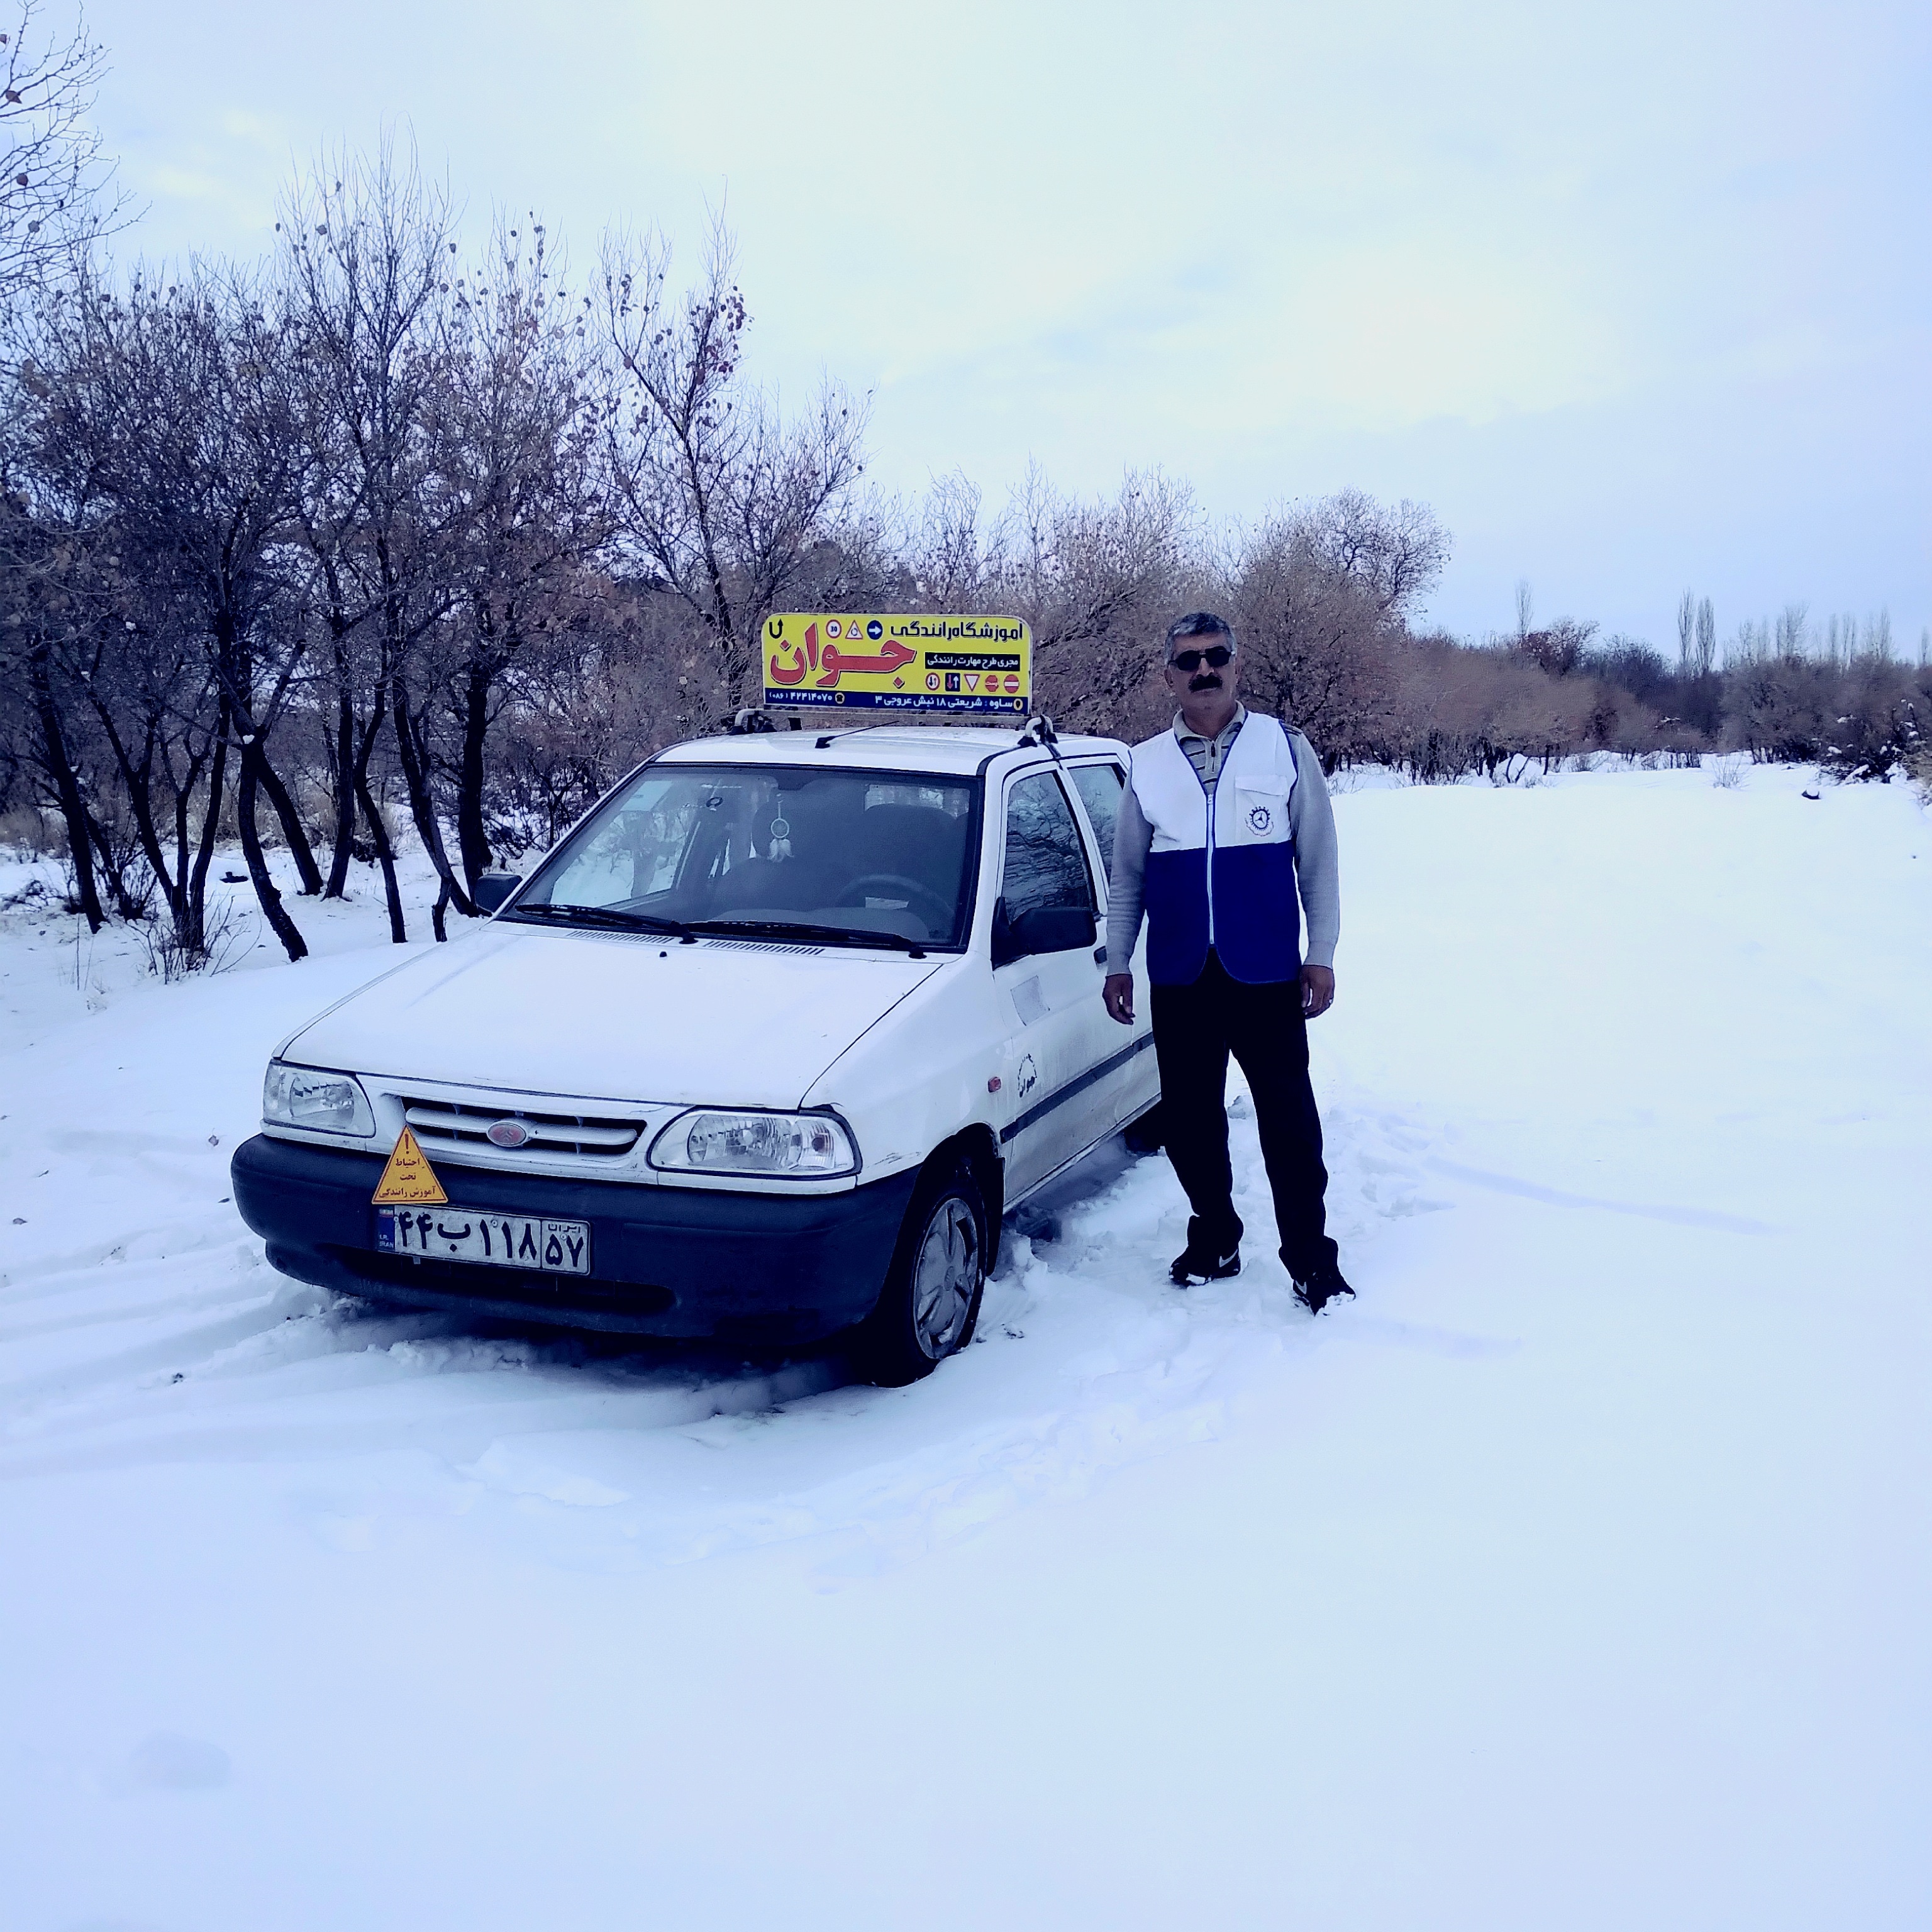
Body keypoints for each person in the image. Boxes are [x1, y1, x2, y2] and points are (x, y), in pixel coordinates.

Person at [1102, 611, 1354, 1313]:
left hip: (1267, 971)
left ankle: (1311, 1258)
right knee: (1189, 1122)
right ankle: (1216, 1236)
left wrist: (1321, 954)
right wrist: (1119, 960)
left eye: (1216, 657)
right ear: (1169, 677)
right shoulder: (1145, 763)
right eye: (1189, 661)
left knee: (1289, 1122)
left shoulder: (1284, 747)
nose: (1204, 670)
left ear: (1238, 666)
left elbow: (1318, 859)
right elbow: (1129, 876)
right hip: (1182, 974)